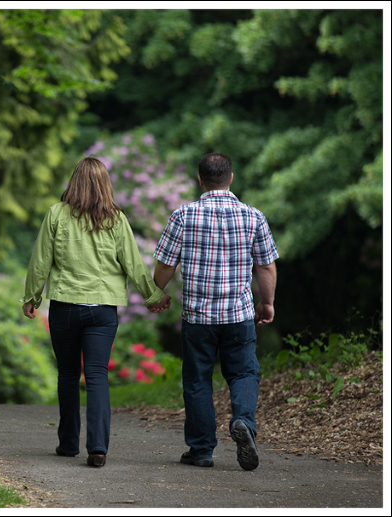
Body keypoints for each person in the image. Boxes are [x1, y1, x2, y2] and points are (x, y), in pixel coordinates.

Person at [21, 156, 171, 468]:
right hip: (102, 309)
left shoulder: (56, 215)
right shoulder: (116, 219)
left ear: (73, 181)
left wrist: (31, 298)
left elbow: (40, 261)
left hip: (65, 306)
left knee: (67, 373)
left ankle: (68, 443)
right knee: (97, 375)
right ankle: (98, 448)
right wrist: (153, 295)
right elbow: (132, 263)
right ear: (105, 184)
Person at [152, 152, 278, 471]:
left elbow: (166, 264)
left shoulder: (183, 215)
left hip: (198, 317)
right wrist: (267, 302)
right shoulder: (253, 217)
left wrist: (157, 293)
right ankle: (244, 424)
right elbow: (265, 266)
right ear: (231, 178)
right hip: (238, 314)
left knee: (197, 380)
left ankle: (201, 450)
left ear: (200, 179)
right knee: (244, 372)